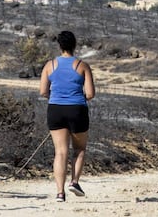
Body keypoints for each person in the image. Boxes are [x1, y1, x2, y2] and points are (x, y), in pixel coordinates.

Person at [39, 31, 95, 202]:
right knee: (79, 149)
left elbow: (43, 91)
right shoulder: (82, 65)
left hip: (55, 109)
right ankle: (74, 182)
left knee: (60, 152)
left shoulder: (50, 65)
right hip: (77, 109)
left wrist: (57, 99)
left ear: (59, 45)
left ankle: (59, 193)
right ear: (74, 45)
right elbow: (91, 94)